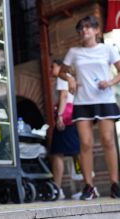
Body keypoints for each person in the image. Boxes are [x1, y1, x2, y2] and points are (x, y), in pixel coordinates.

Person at [59, 15, 120, 200]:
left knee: (108, 141)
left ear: (96, 30)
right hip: (82, 101)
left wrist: (110, 82)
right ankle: (89, 187)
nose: (84, 30)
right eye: (81, 27)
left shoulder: (107, 49)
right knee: (85, 144)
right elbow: (62, 72)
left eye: (88, 26)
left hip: (104, 100)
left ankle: (115, 184)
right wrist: (70, 78)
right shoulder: (74, 52)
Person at [50, 59, 81, 200]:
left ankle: (57, 189)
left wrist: (60, 116)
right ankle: (89, 185)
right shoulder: (71, 78)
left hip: (66, 119)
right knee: (77, 152)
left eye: (53, 66)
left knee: (57, 153)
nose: (51, 69)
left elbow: (63, 96)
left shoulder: (64, 77)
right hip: (72, 118)